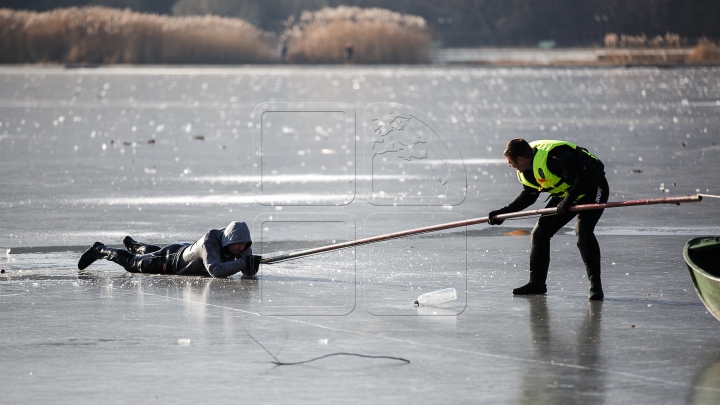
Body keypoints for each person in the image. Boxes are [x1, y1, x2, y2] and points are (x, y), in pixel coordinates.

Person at [488, 139, 609, 300]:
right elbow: (528, 196)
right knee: (540, 232)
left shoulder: (555, 159)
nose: (510, 166)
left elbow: (589, 173)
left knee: (583, 231)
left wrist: (568, 200)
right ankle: (537, 283)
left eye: (510, 162)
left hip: (594, 189)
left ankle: (596, 286)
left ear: (520, 159)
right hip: (567, 194)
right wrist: (503, 213)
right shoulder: (527, 170)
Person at [77, 221, 261, 278]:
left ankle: (137, 246)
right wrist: (245, 262)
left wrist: (251, 266)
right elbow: (215, 270)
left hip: (185, 253)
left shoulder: (241, 245)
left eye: (245, 244)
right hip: (171, 260)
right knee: (133, 263)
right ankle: (99, 250)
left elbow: (246, 272)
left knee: (153, 252)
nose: (242, 247)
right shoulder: (209, 242)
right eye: (238, 244)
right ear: (228, 239)